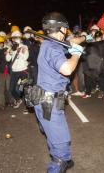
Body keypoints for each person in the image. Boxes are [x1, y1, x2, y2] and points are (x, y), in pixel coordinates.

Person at [33, 12, 85, 173]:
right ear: (62, 28)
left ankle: (65, 158)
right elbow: (67, 69)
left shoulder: (49, 42)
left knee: (51, 132)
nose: (67, 33)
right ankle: (61, 160)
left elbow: (72, 41)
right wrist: (76, 53)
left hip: (42, 96)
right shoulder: (54, 47)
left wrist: (84, 37)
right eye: (66, 30)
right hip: (49, 100)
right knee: (60, 144)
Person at [6, 30, 29, 109]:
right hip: (14, 72)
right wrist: (11, 51)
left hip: (23, 71)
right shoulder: (11, 48)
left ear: (20, 38)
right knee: (11, 89)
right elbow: (7, 59)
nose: (14, 39)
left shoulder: (24, 47)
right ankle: (18, 99)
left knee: (25, 88)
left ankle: (28, 106)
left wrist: (19, 52)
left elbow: (26, 57)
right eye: (13, 38)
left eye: (16, 38)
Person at [0, 35, 12, 110]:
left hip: (7, 71)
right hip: (0, 72)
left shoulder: (6, 49)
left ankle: (10, 101)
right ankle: (2, 103)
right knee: (1, 88)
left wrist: (8, 50)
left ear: (2, 43)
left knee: (8, 88)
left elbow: (9, 59)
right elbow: (0, 58)